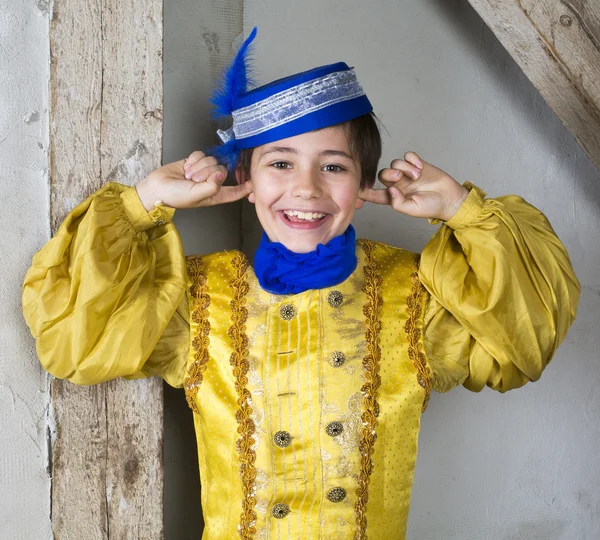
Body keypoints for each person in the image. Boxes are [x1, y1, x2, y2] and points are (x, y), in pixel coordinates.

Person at [22, 28, 580, 539]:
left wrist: (463, 209)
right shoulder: (199, 302)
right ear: (245, 178)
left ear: (363, 182)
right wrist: (144, 202)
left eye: (333, 167)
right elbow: (73, 339)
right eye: (280, 164)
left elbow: (526, 337)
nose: (306, 189)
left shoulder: (418, 299)